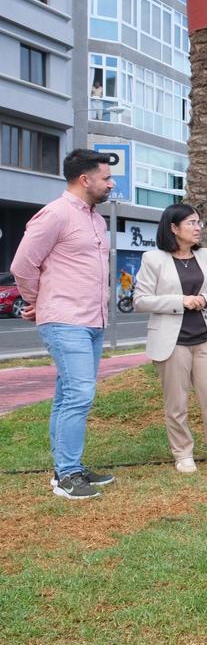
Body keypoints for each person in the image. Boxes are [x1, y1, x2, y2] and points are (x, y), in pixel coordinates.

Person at [11, 149, 119, 499]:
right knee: (79, 395)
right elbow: (22, 265)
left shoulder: (96, 219)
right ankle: (68, 475)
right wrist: (35, 301)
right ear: (84, 180)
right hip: (65, 319)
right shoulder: (55, 215)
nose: (111, 183)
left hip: (92, 321)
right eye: (106, 178)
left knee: (67, 395)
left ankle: (67, 467)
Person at [133, 204, 207, 474]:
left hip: (205, 339)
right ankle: (183, 454)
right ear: (174, 228)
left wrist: (205, 299)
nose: (198, 227)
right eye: (191, 223)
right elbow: (141, 300)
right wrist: (180, 301)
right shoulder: (153, 259)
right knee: (176, 403)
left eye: (198, 222)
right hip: (172, 341)